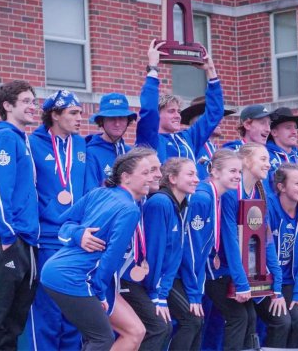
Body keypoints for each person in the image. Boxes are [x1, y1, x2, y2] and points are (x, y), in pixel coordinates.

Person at [40, 149, 154, 350]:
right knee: (101, 339)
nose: (151, 177)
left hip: (63, 273)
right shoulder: (128, 209)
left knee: (132, 331)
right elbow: (110, 256)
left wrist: (76, 233)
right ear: (126, 177)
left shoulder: (101, 193)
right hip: (74, 277)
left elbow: (64, 224)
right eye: (145, 173)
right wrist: (79, 234)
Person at [0, 80, 40, 350]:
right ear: (7, 106)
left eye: (33, 101)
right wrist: (7, 233)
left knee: (14, 323)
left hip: (26, 239)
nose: (32, 106)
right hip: (8, 238)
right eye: (25, 101)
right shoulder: (3, 137)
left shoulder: (21, 140)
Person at [204, 142, 282, 350]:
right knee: (238, 318)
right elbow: (230, 241)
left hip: (239, 271)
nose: (269, 164)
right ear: (246, 161)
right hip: (220, 270)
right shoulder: (230, 193)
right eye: (263, 159)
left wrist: (277, 278)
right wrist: (241, 282)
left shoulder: (257, 194)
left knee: (249, 317)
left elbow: (265, 241)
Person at [120, 158, 199, 350]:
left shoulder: (181, 205)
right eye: (190, 174)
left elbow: (175, 257)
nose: (197, 179)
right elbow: (154, 255)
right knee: (162, 327)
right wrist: (158, 295)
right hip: (139, 279)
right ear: (172, 178)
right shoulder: (161, 203)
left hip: (160, 280)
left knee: (194, 320)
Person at [28, 89, 86, 350]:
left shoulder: (82, 144)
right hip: (48, 240)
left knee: (74, 314)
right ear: (55, 114)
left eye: (80, 113)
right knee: (48, 313)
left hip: (76, 241)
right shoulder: (32, 143)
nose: (79, 119)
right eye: (73, 113)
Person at [173, 149, 243, 350]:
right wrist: (194, 290)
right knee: (191, 323)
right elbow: (191, 250)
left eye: (239, 171)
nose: (237, 176)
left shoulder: (219, 196)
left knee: (197, 323)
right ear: (215, 172)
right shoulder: (202, 198)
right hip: (179, 275)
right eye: (232, 171)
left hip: (192, 275)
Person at [84, 40, 164, 192]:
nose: (117, 123)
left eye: (122, 118)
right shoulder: (91, 152)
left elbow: (150, 115)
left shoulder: (132, 153)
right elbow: (91, 196)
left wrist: (152, 69)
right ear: (101, 121)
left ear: (128, 121)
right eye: (111, 118)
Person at [255, 163, 298, 348]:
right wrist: (275, 291)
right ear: (281, 187)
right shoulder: (266, 208)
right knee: (282, 322)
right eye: (297, 183)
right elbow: (260, 251)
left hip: (289, 282)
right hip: (264, 280)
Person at [155, 51, 225, 167]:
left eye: (178, 111)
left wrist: (210, 71)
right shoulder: (149, 139)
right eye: (171, 111)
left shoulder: (187, 138)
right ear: (156, 115)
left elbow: (215, 113)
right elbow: (148, 111)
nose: (177, 116)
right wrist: (153, 67)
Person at [180, 96, 235, 180]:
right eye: (213, 118)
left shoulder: (215, 148)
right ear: (200, 121)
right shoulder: (188, 145)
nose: (220, 121)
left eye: (220, 117)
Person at [266, 107, 298, 175]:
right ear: (274, 132)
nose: (294, 132)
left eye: (295, 127)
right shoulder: (266, 156)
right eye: (288, 127)